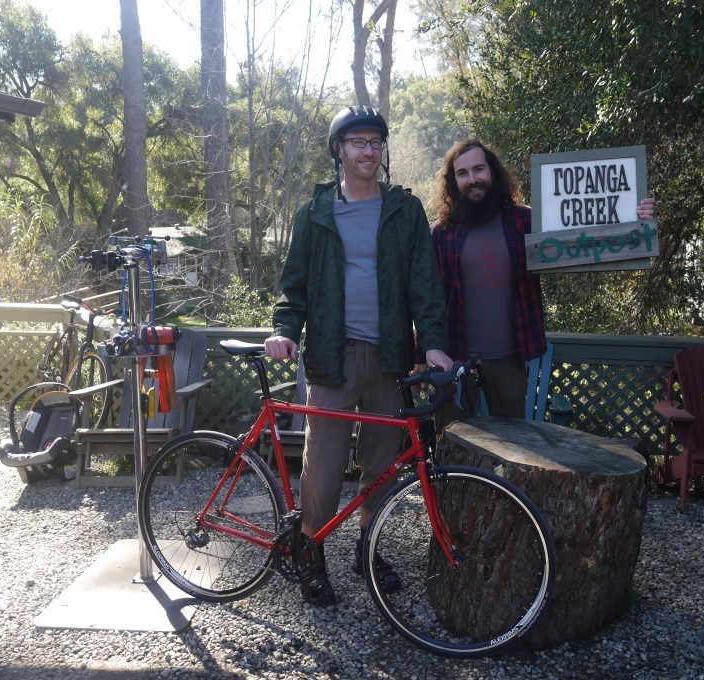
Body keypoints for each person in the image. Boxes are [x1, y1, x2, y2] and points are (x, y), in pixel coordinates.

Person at [264, 105, 452, 606]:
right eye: (357, 142)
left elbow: (425, 285)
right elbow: (294, 287)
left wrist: (431, 342)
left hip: (389, 357)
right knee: (322, 465)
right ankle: (313, 553)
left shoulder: (403, 210)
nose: (368, 150)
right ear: (338, 150)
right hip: (331, 355)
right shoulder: (315, 212)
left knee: (382, 461)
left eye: (375, 142)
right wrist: (284, 331)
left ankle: (368, 548)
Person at [425, 139, 655, 427]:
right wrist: (424, 352)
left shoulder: (525, 221)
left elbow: (586, 227)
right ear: (452, 181)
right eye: (462, 173)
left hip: (508, 359)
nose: (472, 179)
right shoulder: (440, 233)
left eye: (479, 169)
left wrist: (636, 216)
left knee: (514, 447)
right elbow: (427, 299)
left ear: (493, 172)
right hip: (454, 359)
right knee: (452, 445)